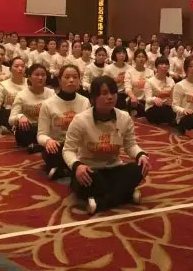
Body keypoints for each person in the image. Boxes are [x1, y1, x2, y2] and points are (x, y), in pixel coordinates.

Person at [63, 76, 150, 215]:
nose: (110, 97)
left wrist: (141, 154)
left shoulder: (124, 117)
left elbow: (131, 145)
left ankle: (101, 202)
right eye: (104, 93)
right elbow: (68, 150)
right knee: (83, 182)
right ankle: (126, 194)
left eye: (113, 92)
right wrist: (77, 166)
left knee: (138, 168)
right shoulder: (80, 120)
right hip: (90, 170)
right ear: (93, 98)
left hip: (114, 168)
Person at [38, 64, 90, 180]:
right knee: (52, 151)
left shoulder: (85, 101)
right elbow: (41, 135)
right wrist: (48, 141)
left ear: (79, 80)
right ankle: (71, 168)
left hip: (78, 146)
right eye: (67, 77)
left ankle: (64, 169)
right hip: (58, 145)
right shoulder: (48, 104)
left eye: (75, 77)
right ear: (59, 80)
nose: (71, 80)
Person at [9, 64, 55, 153]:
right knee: (23, 130)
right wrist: (20, 117)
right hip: (30, 129)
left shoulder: (51, 93)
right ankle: (45, 145)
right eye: (37, 75)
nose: (40, 78)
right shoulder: (21, 95)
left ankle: (39, 147)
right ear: (29, 77)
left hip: (47, 128)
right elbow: (11, 120)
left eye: (43, 75)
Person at [0, 57, 27, 134]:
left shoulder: (30, 82)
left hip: (27, 111)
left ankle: (12, 128)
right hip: (9, 112)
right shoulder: (4, 84)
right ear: (10, 69)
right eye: (16, 66)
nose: (20, 68)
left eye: (23, 66)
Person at [144, 57, 176, 125]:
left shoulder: (171, 81)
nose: (164, 66)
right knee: (160, 110)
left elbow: (173, 98)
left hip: (167, 107)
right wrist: (155, 99)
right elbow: (148, 99)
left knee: (175, 110)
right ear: (156, 67)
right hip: (153, 107)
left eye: (166, 64)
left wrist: (172, 103)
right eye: (161, 64)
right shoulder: (150, 81)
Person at [125, 49, 153, 117]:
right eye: (139, 57)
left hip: (147, 100)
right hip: (134, 99)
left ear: (146, 59)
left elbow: (152, 88)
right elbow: (127, 88)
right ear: (134, 59)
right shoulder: (129, 72)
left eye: (143, 57)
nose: (141, 59)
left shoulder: (150, 72)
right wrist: (133, 97)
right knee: (134, 106)